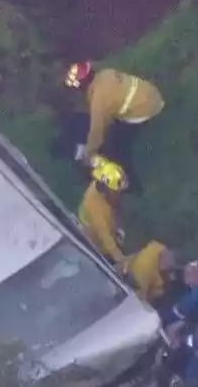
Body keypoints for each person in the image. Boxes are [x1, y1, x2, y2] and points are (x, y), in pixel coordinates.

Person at [61, 61, 165, 194]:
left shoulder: (99, 101)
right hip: (152, 94)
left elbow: (97, 134)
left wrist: (89, 154)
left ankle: (130, 186)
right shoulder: (106, 73)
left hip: (144, 110)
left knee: (117, 148)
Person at [78, 156, 129, 264]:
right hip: (95, 240)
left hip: (110, 226)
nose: (120, 195)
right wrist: (120, 259)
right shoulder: (94, 205)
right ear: (106, 189)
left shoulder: (106, 174)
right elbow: (105, 236)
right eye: (117, 192)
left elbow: (94, 160)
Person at [122, 240, 176, 307]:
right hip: (128, 280)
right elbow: (141, 301)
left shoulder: (159, 247)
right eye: (168, 267)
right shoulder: (145, 271)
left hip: (130, 263)